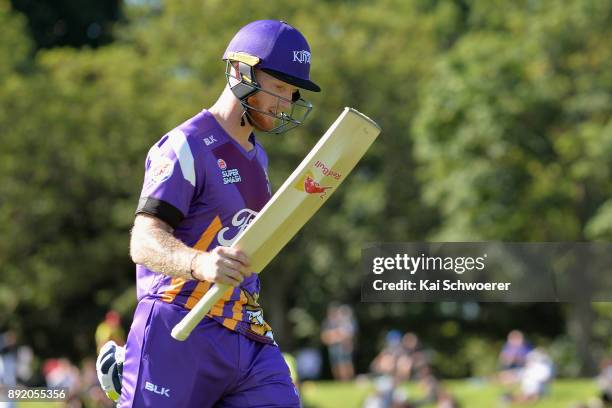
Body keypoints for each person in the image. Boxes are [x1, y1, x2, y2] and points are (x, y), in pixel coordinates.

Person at [95, 19, 320, 407]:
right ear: (239, 71)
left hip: (246, 333)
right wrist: (199, 264)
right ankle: (132, 370)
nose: (286, 102)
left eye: (292, 91)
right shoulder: (185, 146)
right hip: (179, 325)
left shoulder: (259, 157)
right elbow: (143, 240)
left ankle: (127, 374)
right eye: (279, 88)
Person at [321, 303, 357, 381]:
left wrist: (334, 336)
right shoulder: (327, 323)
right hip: (333, 348)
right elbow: (325, 337)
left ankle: (348, 381)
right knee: (335, 365)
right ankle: (340, 381)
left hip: (343, 347)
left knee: (346, 363)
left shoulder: (343, 321)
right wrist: (336, 335)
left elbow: (347, 334)